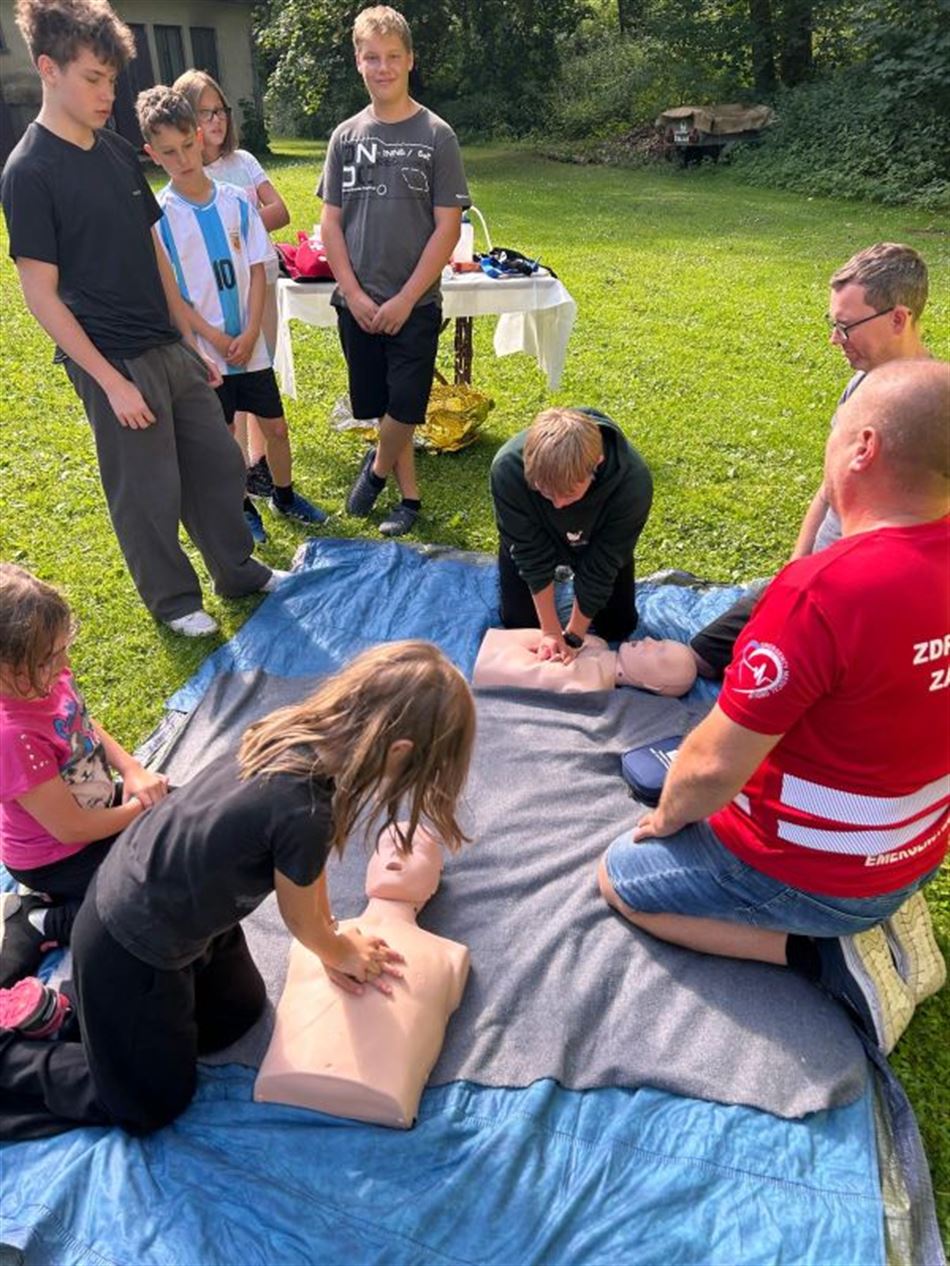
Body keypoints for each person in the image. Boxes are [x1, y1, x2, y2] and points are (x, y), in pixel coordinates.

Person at [598, 359, 950, 1055]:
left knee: (620, 879)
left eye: (835, 428)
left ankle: (822, 954)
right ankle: (874, 918)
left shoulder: (823, 592)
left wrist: (666, 818)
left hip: (822, 873)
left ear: (863, 447)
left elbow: (709, 770)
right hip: (919, 851)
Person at [0, 641, 476, 1140]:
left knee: (235, 1018)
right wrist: (338, 951)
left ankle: (85, 1016)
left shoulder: (296, 732)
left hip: (185, 914)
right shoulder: (304, 809)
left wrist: (333, 937)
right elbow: (302, 919)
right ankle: (17, 1050)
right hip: (130, 940)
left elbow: (307, 876)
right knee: (151, 1103)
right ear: (399, 751)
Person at [0, 0, 279, 638]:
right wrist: (110, 382)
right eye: (93, 78)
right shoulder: (29, 171)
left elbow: (155, 252)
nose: (108, 93)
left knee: (217, 462)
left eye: (112, 78)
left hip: (166, 342)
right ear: (48, 69)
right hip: (111, 357)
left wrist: (188, 340)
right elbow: (40, 294)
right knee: (147, 488)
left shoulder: (118, 151)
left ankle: (238, 570)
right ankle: (176, 602)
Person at [690, 242, 932, 678]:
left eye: (846, 327)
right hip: (814, 584)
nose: (835, 339)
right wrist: (794, 573)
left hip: (854, 609)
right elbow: (827, 490)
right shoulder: (860, 384)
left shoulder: (933, 416)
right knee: (699, 658)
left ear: (898, 319)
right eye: (833, 324)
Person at [136, 86, 327, 545]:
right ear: (152, 154)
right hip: (208, 351)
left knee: (275, 427)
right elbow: (174, 296)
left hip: (250, 342)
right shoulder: (160, 217)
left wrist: (250, 328)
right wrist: (214, 339)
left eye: (187, 145)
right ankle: (241, 507)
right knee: (225, 439)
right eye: (168, 152)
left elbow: (259, 269)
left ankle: (284, 495)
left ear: (200, 137)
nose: (182, 159)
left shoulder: (237, 201)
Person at [319, 5, 470, 538]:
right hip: (358, 305)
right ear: (358, 62)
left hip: (416, 303)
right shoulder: (345, 138)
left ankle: (376, 472)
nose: (382, 67)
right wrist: (355, 295)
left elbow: (447, 228)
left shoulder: (437, 135)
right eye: (371, 58)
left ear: (410, 60)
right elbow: (330, 224)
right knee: (379, 406)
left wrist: (406, 298)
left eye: (392, 56)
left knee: (407, 405)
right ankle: (409, 500)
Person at [0, 565, 168, 986]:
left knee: (191, 820)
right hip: (55, 856)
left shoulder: (44, 675)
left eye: (63, 648)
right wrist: (140, 807)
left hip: (100, 808)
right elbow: (71, 829)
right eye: (49, 658)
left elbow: (82, 724)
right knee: (151, 903)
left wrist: (132, 769)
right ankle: (43, 921)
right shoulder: (12, 736)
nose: (64, 664)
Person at [256, 822, 470, 1129]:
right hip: (281, 1078)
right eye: (386, 846)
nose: (396, 855)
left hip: (385, 1099)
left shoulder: (451, 956)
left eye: (413, 849)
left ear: (435, 880)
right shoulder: (310, 935)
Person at [173, 68, 290, 515]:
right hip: (215, 302)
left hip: (261, 284)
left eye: (219, 110)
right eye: (205, 113)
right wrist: (233, 225)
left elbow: (280, 209)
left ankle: (262, 464)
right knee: (230, 398)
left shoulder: (242, 163)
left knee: (261, 375)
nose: (217, 120)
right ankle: (238, 477)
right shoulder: (188, 177)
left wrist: (237, 222)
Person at [490, 406, 653, 663]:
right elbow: (528, 552)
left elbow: (603, 564)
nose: (558, 505)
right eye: (545, 493)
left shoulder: (633, 482)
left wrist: (573, 637)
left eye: (569, 494)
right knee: (519, 623)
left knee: (618, 626)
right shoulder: (508, 469)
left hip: (596, 539)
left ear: (597, 463)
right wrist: (550, 632)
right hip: (536, 536)